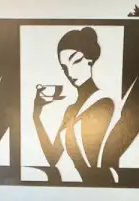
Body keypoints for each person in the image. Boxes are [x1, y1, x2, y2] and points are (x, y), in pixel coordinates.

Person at [32, 26, 119, 185]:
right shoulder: (71, 110)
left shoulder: (104, 103)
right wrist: (36, 116)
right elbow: (52, 157)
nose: (70, 73)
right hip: (83, 187)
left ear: (90, 59)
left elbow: (94, 157)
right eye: (64, 67)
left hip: (104, 185)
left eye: (76, 61)